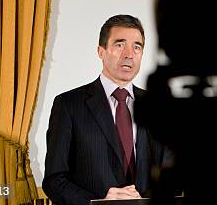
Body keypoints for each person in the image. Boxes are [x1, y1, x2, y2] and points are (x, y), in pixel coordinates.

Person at [43, 15, 166, 205]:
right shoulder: (68, 104)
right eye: (119, 45)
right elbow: (54, 180)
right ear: (101, 51)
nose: (129, 54)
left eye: (137, 47)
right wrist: (96, 202)